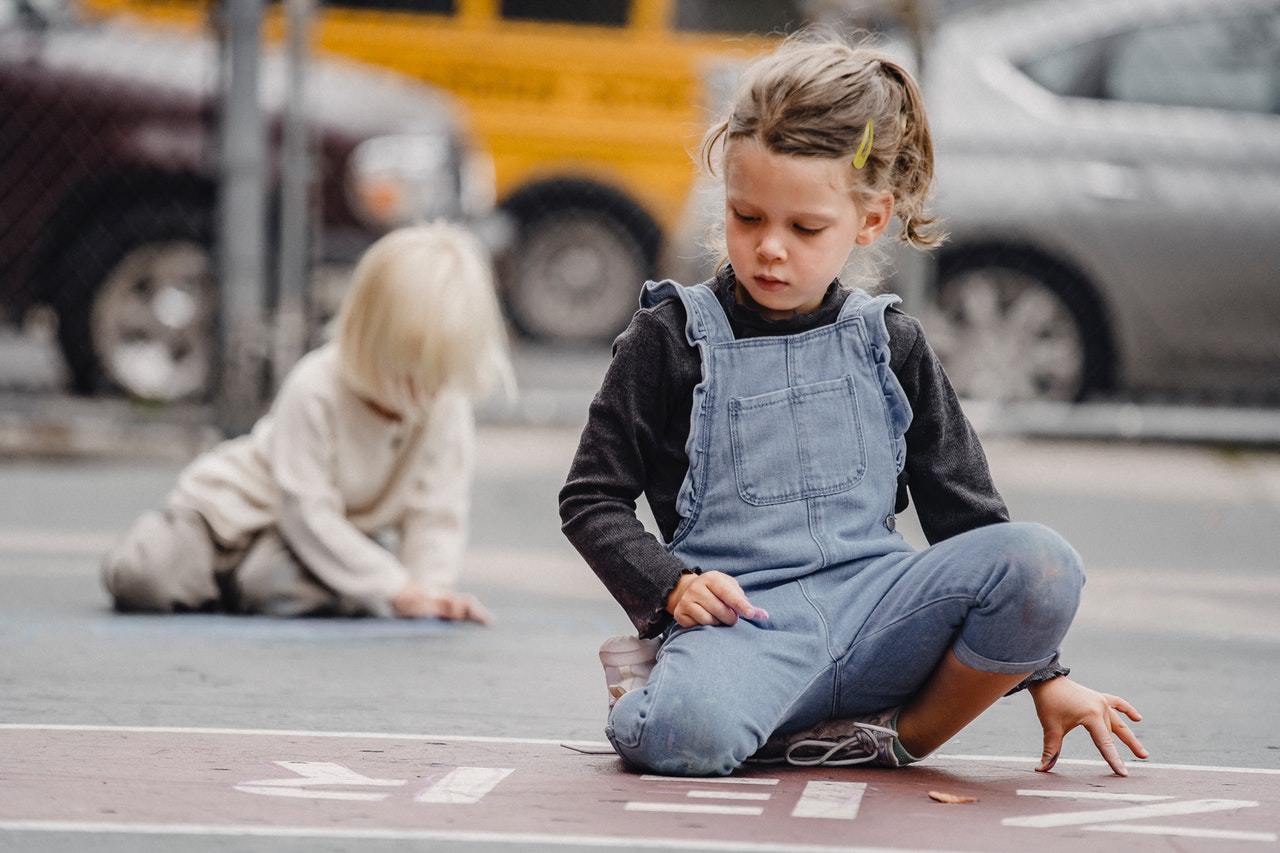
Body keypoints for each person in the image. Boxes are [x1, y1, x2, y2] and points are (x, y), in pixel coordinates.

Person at [560, 32, 1148, 777]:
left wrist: (1047, 675)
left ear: (870, 221)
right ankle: (682, 690)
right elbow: (592, 498)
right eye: (747, 217)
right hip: (748, 629)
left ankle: (894, 736)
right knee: (682, 738)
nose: (770, 247)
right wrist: (669, 587)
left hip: (882, 615)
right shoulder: (669, 337)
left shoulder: (890, 342)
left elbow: (967, 513)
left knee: (1042, 564)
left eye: (805, 228)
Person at [102, 222, 513, 622]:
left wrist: (428, 592)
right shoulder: (317, 385)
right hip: (232, 515)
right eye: (407, 369)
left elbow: (436, 512)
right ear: (365, 336)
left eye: (439, 373)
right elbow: (305, 509)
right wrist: (394, 588)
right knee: (146, 577)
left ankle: (243, 586)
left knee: (277, 582)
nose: (423, 390)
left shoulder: (446, 406)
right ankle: (211, 573)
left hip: (303, 544)